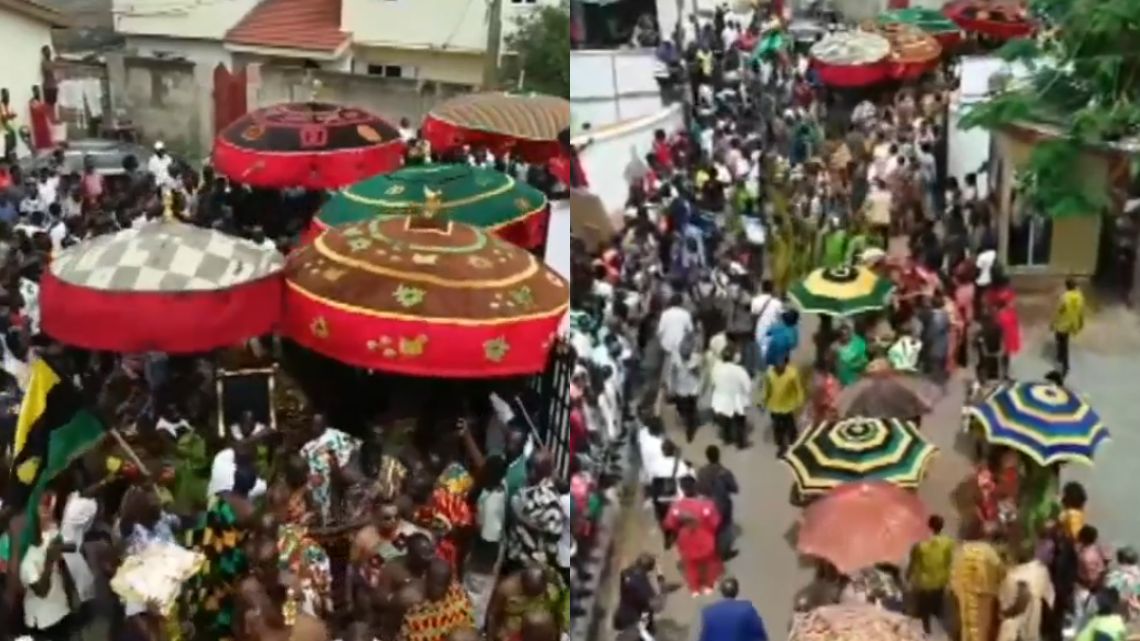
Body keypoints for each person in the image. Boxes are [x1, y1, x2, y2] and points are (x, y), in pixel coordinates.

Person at [663, 477, 722, 597]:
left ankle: (695, 589)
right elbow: (716, 522)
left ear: (682, 489)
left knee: (690, 565)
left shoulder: (676, 507)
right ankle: (708, 586)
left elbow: (669, 524)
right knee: (709, 563)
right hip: (706, 538)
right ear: (695, 487)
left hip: (686, 540)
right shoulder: (707, 504)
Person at [949, 529, 1005, 641]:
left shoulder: (960, 551)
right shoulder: (989, 552)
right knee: (981, 627)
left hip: (964, 592)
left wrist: (955, 589)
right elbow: (1001, 573)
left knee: (966, 624)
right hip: (983, 595)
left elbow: (953, 574)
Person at [908, 515, 954, 635]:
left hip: (924, 585)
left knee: (924, 614)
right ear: (941, 527)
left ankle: (926, 634)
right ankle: (938, 636)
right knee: (938, 613)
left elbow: (913, 564)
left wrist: (908, 578)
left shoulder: (920, 543)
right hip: (940, 584)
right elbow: (951, 563)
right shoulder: (948, 543)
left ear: (928, 526)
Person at [996, 545, 1054, 641]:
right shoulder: (1041, 571)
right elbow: (1050, 603)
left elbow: (1003, 609)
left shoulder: (1009, 577)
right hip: (1032, 631)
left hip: (1011, 633)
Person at [696, 445, 738, 560]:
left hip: (707, 505)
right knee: (725, 530)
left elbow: (699, 489)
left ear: (707, 457)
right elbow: (735, 489)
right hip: (723, 506)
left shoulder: (701, 472)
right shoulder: (724, 473)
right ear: (718, 456)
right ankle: (725, 553)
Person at [696, 577, 767, 641]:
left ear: (722, 592)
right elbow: (758, 635)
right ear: (737, 590)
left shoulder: (709, 612)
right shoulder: (747, 609)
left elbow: (705, 637)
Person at [710, 344, 752, 448]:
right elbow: (748, 387)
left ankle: (727, 439)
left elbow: (714, 383)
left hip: (722, 401)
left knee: (726, 423)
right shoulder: (739, 370)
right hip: (737, 401)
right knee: (740, 423)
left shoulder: (716, 368)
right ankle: (741, 443)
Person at [761, 355, 804, 457]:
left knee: (790, 426)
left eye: (781, 364)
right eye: (776, 365)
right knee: (777, 428)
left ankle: (793, 442)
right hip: (774, 406)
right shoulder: (769, 374)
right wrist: (763, 400)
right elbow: (766, 389)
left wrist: (799, 401)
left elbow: (798, 389)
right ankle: (781, 447)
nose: (778, 367)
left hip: (788, 406)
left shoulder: (792, 374)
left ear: (786, 364)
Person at [666, 333, 703, 442]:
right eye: (683, 354)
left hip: (693, 389)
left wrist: (695, 370)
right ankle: (688, 421)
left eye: (687, 354)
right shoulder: (675, 358)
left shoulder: (696, 358)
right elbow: (671, 373)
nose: (685, 357)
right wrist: (670, 387)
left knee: (690, 411)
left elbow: (701, 374)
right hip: (680, 389)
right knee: (682, 410)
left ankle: (690, 431)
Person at [1051, 278, 1085, 376]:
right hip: (1072, 323)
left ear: (1066, 286)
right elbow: (1081, 311)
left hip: (1062, 323)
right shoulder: (1080, 296)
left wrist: (1053, 322)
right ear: (1075, 286)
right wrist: (1080, 322)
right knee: (1065, 342)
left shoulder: (1064, 297)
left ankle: (1064, 364)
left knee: (1061, 343)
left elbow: (1059, 311)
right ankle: (1062, 360)